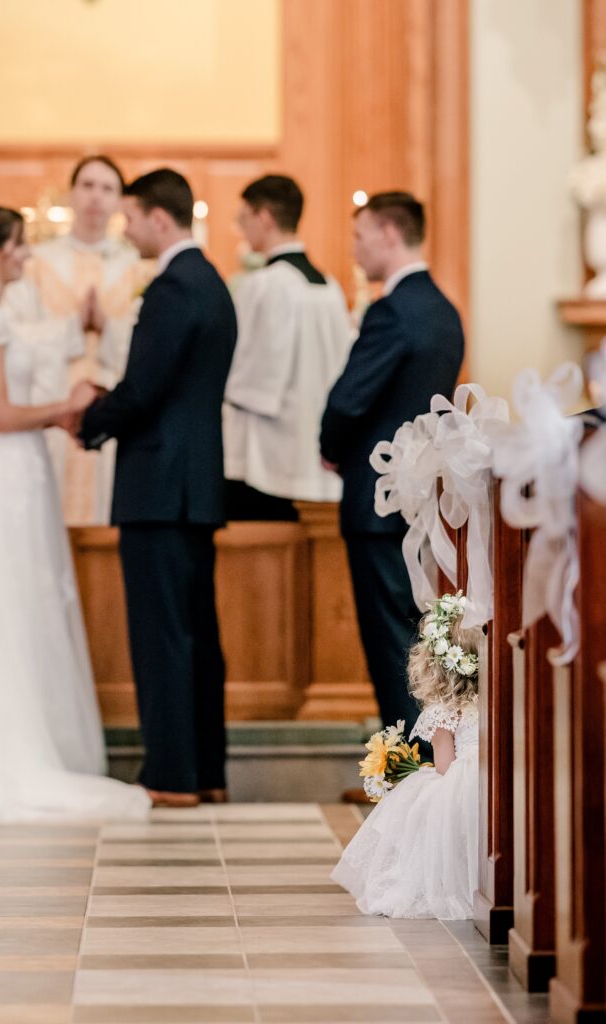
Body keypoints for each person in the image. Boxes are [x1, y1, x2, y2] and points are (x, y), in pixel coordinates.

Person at [0, 204, 150, 824]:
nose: (27, 254)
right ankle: (0, 741)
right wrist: (64, 407)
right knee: (1, 596)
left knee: (17, 596)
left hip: (13, 473)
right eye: (20, 245)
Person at [74, 169, 237, 808]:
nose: (126, 226)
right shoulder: (214, 283)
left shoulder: (172, 287)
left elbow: (143, 389)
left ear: (160, 219)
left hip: (157, 486)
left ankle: (170, 776)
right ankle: (206, 771)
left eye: (133, 216)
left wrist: (87, 420)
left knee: (162, 633)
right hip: (194, 486)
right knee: (196, 631)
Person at [320, 192, 464, 737]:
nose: (354, 249)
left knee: (391, 645)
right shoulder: (443, 310)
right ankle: (419, 763)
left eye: (358, 236)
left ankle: (404, 770)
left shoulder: (393, 309)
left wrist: (330, 445)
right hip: (425, 499)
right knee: (415, 638)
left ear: (387, 233)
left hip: (378, 499)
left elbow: (348, 400)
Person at [3, 154, 152, 524]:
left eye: (107, 188)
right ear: (70, 195)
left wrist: (106, 326)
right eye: (87, 186)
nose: (95, 198)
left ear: (119, 201)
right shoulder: (35, 262)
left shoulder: (138, 265)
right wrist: (71, 328)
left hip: (111, 398)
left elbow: (151, 342)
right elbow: (12, 333)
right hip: (53, 402)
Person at [332, 593, 479, 919]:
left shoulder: (444, 710)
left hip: (460, 783)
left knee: (428, 813)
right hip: (490, 779)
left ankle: (450, 883)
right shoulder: (491, 700)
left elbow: (444, 767)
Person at [224, 174, 352, 521]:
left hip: (269, 459)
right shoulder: (331, 287)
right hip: (319, 452)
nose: (242, 229)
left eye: (243, 219)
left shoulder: (264, 285)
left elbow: (245, 376)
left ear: (264, 217)